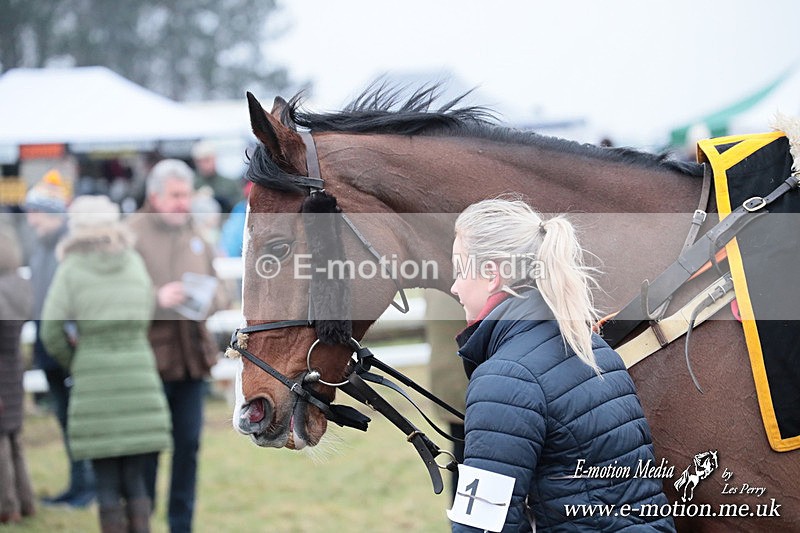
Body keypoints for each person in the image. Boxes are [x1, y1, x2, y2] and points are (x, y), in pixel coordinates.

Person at [449, 198, 675, 532]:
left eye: (458, 271)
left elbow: (481, 527)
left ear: (491, 275)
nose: (454, 287)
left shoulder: (503, 378)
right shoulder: (595, 350)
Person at [40, 195, 171, 533]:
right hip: (139, 371)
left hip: (94, 376)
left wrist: (76, 360)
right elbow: (146, 310)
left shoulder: (71, 267)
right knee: (136, 478)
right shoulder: (132, 261)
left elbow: (50, 328)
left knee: (106, 481)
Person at [127, 159, 226, 533]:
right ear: (155, 195)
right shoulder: (129, 233)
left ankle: (181, 525)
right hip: (148, 362)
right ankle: (143, 521)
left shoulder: (197, 232)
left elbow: (223, 287)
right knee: (148, 448)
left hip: (191, 361)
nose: (182, 202)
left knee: (188, 447)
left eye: (186, 194)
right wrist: (155, 298)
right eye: (175, 195)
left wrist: (207, 298)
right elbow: (115, 296)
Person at [24, 169, 96, 507]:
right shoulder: (40, 249)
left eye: (36, 212)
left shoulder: (70, 248)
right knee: (65, 422)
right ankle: (77, 485)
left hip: (70, 350)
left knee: (79, 421)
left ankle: (88, 488)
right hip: (49, 349)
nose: (31, 219)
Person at [0, 218, 35, 524]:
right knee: (15, 440)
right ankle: (26, 500)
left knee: (2, 443)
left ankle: (7, 505)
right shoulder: (19, 285)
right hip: (14, 367)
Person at [191, 140, 242, 213]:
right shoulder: (191, 183)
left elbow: (240, 206)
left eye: (207, 160)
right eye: (200, 161)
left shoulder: (230, 184)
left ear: (214, 159)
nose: (203, 165)